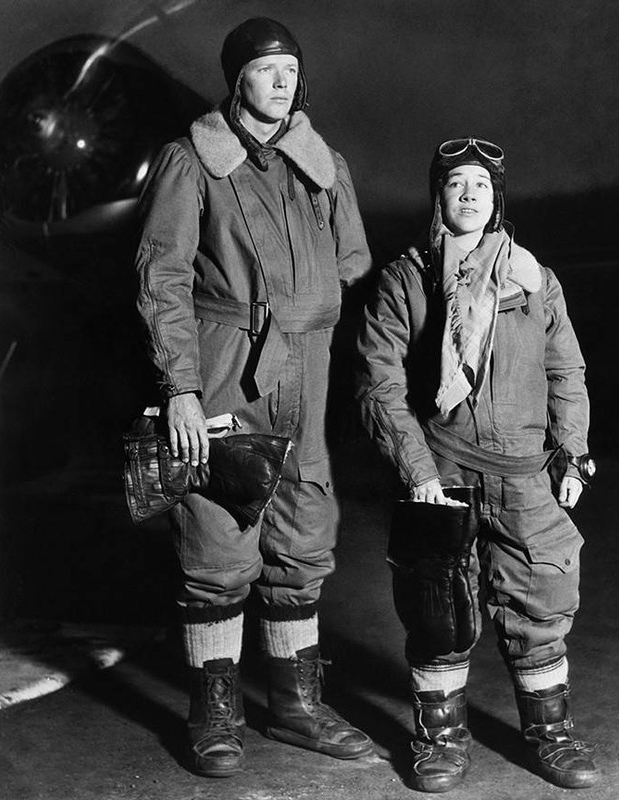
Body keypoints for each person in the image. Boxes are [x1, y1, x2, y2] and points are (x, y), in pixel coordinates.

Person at [134, 17, 373, 777]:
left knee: (302, 530)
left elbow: (354, 257)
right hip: (224, 361)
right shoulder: (191, 161)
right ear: (237, 78)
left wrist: (307, 305)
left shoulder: (321, 162)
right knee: (216, 532)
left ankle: (297, 706)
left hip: (306, 366)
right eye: (267, 68)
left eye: (291, 69)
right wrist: (181, 386)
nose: (282, 80)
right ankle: (215, 711)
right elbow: (161, 279)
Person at [356, 137, 599, 792]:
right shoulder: (408, 278)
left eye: (481, 185)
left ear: (496, 201)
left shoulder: (532, 278)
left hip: (524, 471)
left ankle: (550, 733)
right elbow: (379, 385)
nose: (469, 194)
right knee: (439, 608)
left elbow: (565, 369)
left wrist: (571, 450)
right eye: (456, 183)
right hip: (445, 471)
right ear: (439, 196)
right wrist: (418, 470)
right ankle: (440, 740)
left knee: (542, 600)